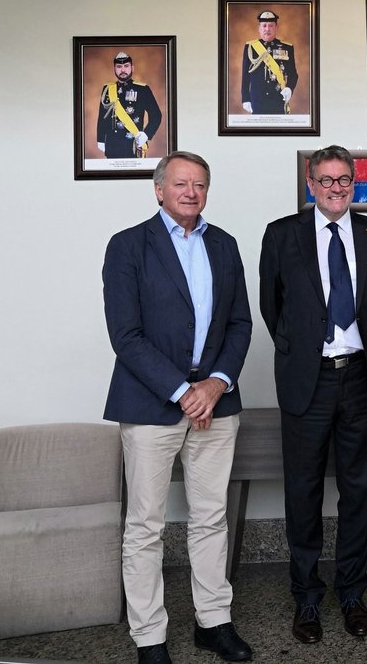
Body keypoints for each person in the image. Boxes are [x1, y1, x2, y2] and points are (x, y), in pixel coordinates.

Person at [102, 151, 254, 664]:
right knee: (145, 526)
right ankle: (149, 637)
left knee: (211, 518)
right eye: (181, 183)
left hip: (216, 404)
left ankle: (214, 622)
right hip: (151, 405)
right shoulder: (127, 246)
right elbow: (126, 334)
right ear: (159, 190)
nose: (191, 192)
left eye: (200, 184)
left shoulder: (224, 244)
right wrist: (181, 390)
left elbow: (240, 324)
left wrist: (215, 383)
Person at [258, 145, 367, 644]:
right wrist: (303, 350)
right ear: (311, 183)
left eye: (344, 180)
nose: (336, 188)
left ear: (354, 184)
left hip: (362, 378)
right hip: (308, 380)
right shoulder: (281, 235)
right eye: (326, 180)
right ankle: (307, 597)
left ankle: (353, 593)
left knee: (360, 492)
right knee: (303, 493)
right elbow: (272, 308)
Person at [97, 51, 163, 159]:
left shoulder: (142, 89)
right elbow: (102, 117)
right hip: (112, 146)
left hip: (133, 145)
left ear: (132, 68)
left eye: (126, 66)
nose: (123, 70)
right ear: (114, 69)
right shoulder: (108, 89)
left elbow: (156, 115)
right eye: (119, 66)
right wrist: (100, 139)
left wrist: (146, 134)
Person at [241, 10, 297, 115]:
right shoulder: (250, 47)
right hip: (257, 102)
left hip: (278, 100)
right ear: (259, 28)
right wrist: (245, 99)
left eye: (271, 25)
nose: (267, 29)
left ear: (276, 27)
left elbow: (293, 74)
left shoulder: (287, 47)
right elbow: (245, 76)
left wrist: (289, 88)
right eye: (264, 25)